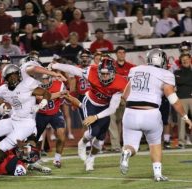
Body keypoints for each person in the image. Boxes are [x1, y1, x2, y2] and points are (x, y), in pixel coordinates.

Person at [120, 48, 192, 182]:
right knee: (155, 144)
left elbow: (124, 96)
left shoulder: (135, 70)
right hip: (150, 112)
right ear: (162, 60)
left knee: (132, 146)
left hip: (130, 112)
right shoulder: (165, 74)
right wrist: (186, 118)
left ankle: (127, 153)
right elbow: (174, 101)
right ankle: (157, 174)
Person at [50, 57, 128, 171]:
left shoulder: (120, 83)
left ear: (113, 73)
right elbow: (73, 70)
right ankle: (82, 143)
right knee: (93, 131)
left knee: (100, 139)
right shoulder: (92, 72)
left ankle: (91, 158)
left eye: (107, 74)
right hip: (90, 102)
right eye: (102, 73)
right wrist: (56, 66)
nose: (105, 76)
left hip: (105, 107)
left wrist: (96, 117)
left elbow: (112, 109)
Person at [0, 64, 52, 183]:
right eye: (10, 76)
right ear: (5, 78)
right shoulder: (3, 89)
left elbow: (46, 93)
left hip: (27, 124)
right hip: (14, 120)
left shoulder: (26, 86)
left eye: (15, 76)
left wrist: (41, 105)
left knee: (6, 146)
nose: (13, 79)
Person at [174, 53, 192, 148]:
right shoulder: (176, 72)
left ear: (190, 59)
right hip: (181, 99)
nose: (185, 61)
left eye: (187, 59)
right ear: (181, 61)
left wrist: (182, 82)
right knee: (182, 121)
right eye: (183, 59)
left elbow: (181, 81)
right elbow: (179, 81)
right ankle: (181, 142)